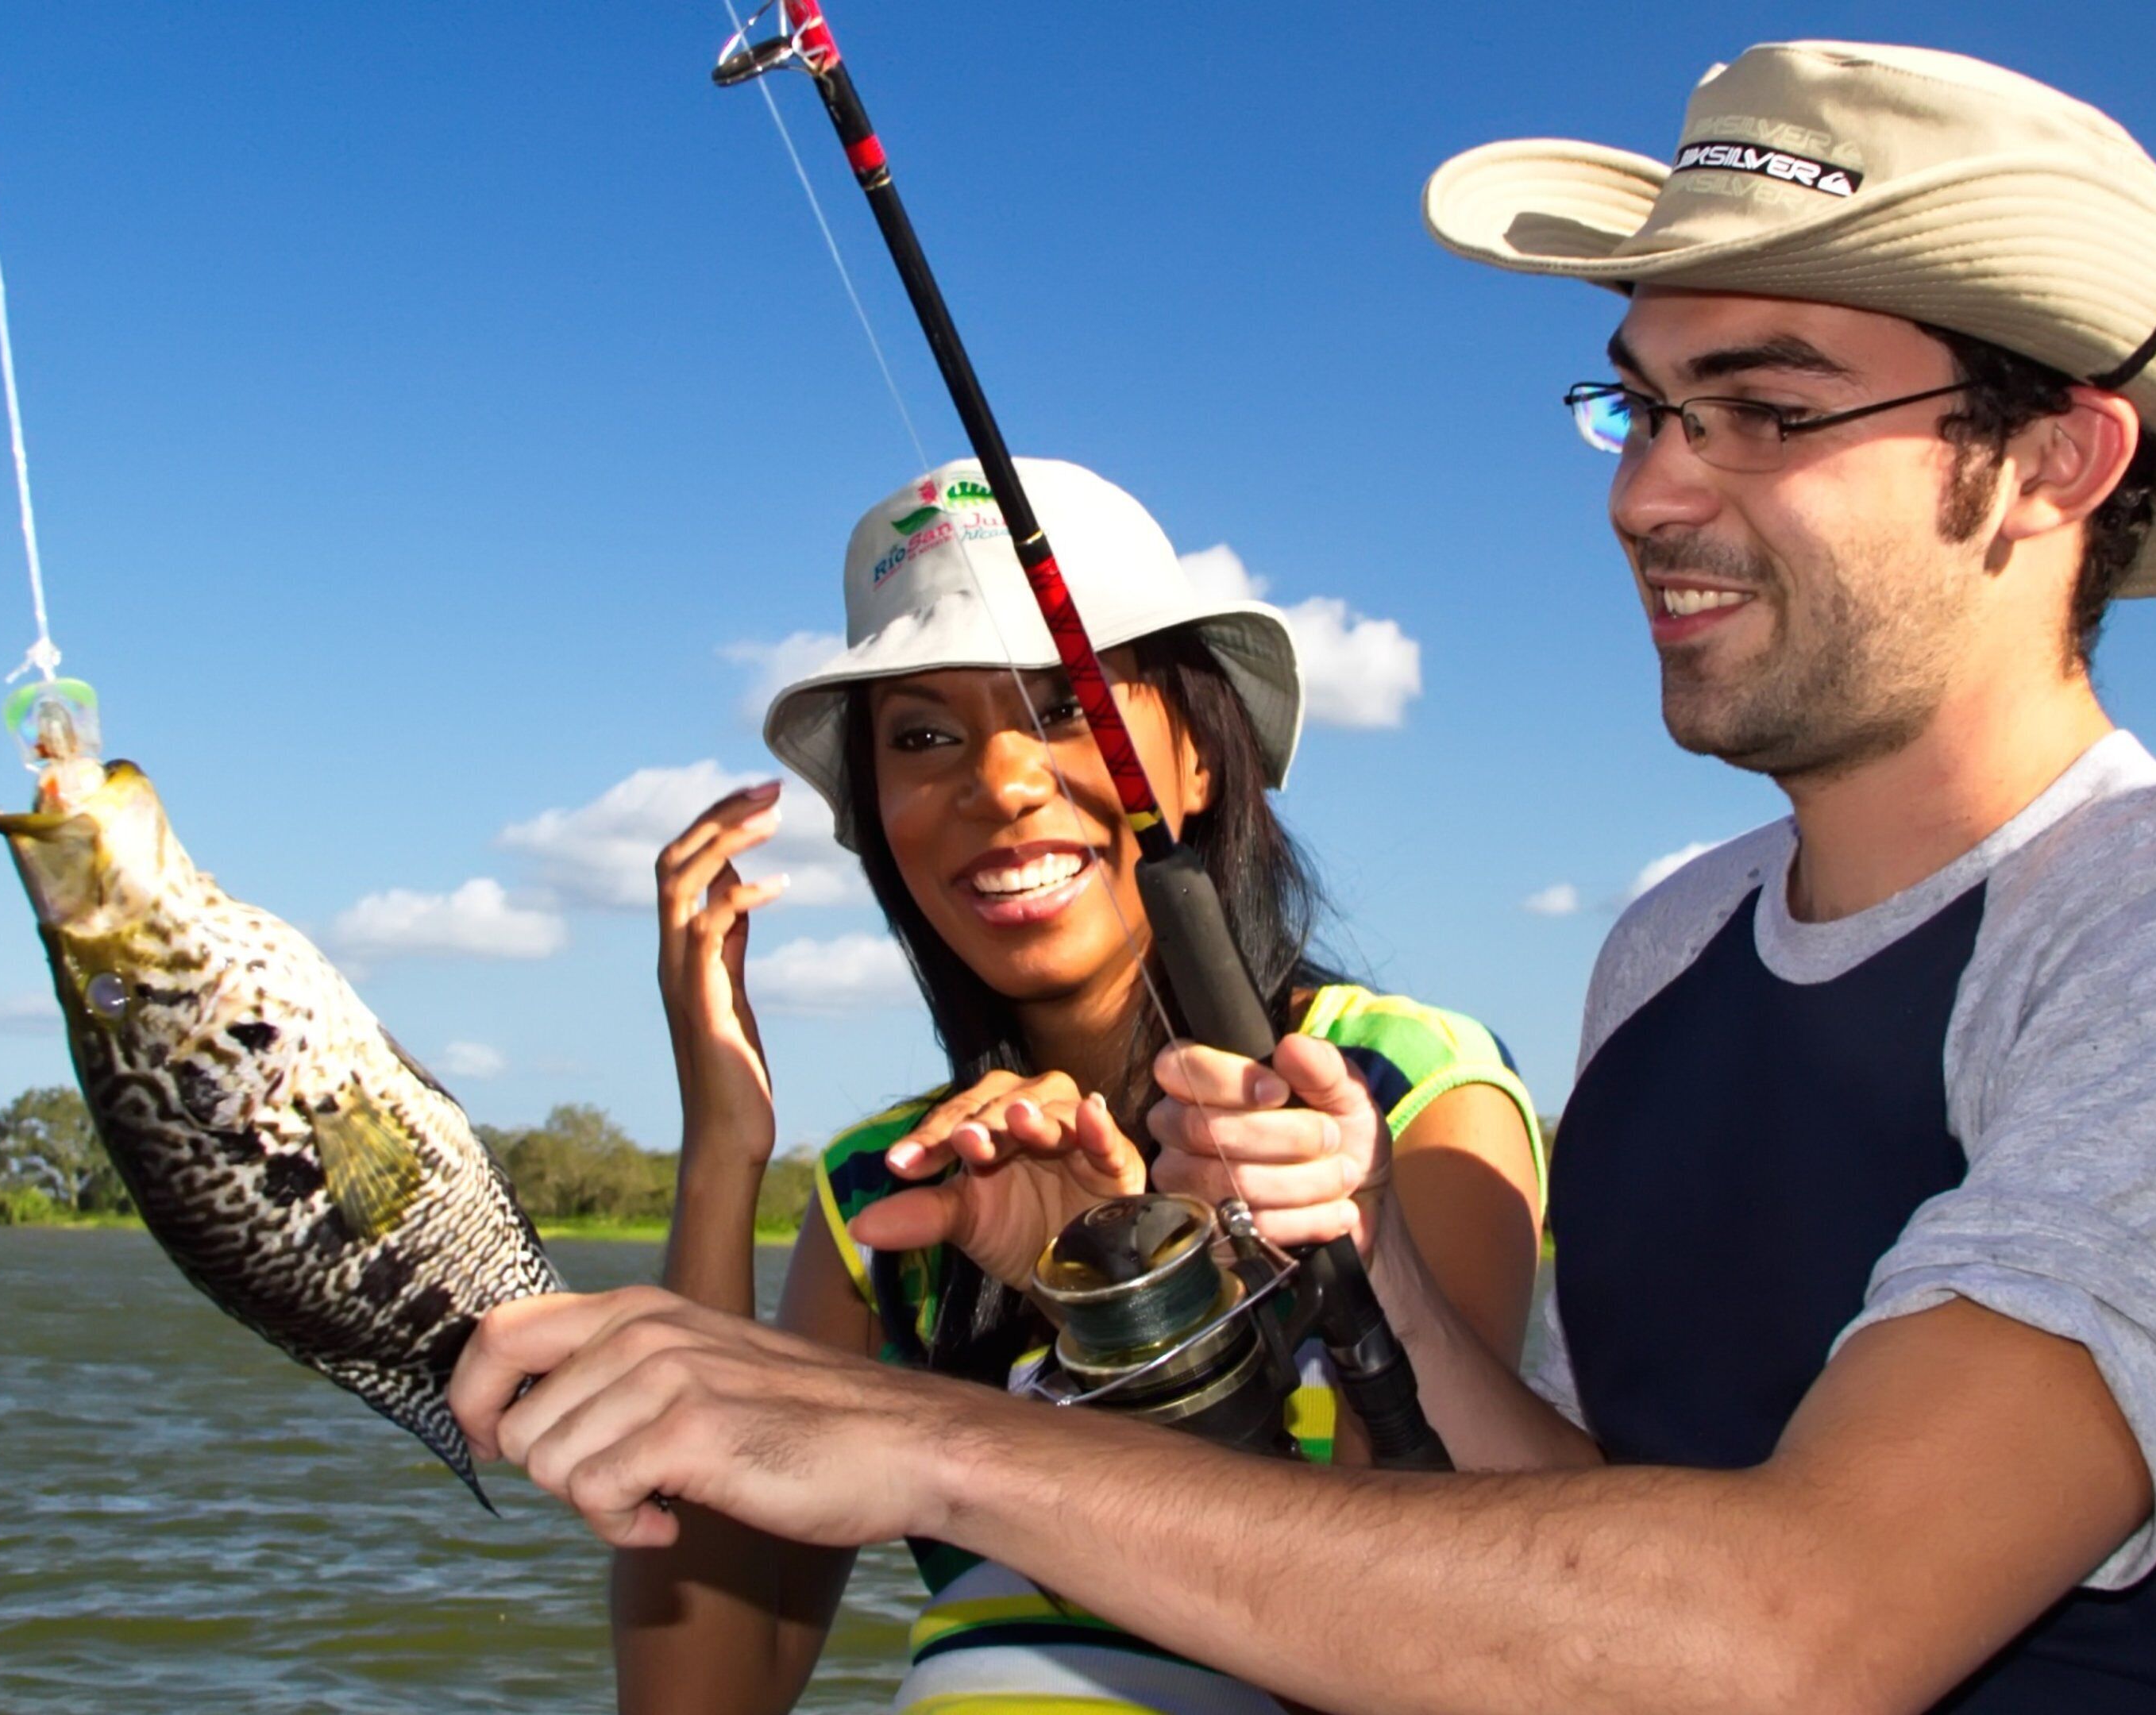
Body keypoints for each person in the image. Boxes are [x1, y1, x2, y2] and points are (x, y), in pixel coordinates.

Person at [457, 43, 2156, 1713]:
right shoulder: (1677, 950)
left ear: (2058, 465)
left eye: (1765, 410)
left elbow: (1798, 1633)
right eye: (1643, 404)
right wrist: (1394, 1279)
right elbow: (1581, 1513)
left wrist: (912, 1433)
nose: (1645, 491)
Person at [619, 455, 1545, 1714]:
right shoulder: (884, 1196)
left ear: (1205, 760)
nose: (997, 785)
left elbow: (1449, 1618)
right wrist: (721, 1152)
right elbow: (699, 1699)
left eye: (1063, 709)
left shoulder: (1409, 1094)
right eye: (924, 736)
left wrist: (1135, 1316)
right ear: (879, 816)